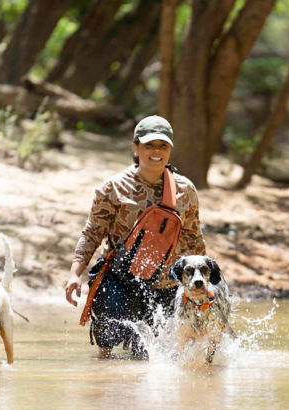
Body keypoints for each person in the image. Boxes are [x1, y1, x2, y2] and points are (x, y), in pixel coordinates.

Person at [64, 115, 206, 358]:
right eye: (149, 145)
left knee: (150, 358)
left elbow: (194, 240)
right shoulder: (113, 187)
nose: (156, 152)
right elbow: (92, 233)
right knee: (106, 353)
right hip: (120, 281)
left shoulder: (185, 190)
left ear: (170, 149)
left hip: (166, 285)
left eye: (163, 146)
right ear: (136, 147)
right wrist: (74, 274)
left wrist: (205, 285)